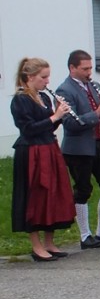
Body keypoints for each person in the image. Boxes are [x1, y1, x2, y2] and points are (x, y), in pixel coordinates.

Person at [56, 50, 100, 249]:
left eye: (90, 68)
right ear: (72, 68)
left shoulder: (95, 85)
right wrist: (97, 112)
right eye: (84, 69)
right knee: (83, 190)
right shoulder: (64, 91)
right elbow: (70, 123)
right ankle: (85, 235)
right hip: (79, 148)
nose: (89, 72)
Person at [11, 57, 76, 261]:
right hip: (32, 151)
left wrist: (60, 114)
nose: (47, 82)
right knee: (36, 196)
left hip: (49, 148)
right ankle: (36, 245)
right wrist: (54, 117)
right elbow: (28, 129)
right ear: (30, 77)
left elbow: (49, 126)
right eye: (43, 77)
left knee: (54, 193)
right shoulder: (20, 100)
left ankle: (50, 242)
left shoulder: (44, 97)